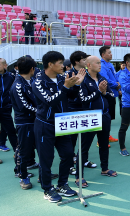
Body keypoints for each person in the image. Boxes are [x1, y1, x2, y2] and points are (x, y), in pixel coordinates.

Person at [32, 51, 84, 203]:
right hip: (45, 124)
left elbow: (72, 97)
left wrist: (76, 86)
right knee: (46, 159)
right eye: (60, 63)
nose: (64, 66)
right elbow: (49, 101)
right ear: (50, 64)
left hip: (63, 123)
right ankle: (47, 188)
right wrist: (67, 87)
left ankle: (62, 184)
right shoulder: (38, 81)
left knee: (68, 154)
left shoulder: (63, 78)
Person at [76, 56, 117, 188]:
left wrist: (104, 93)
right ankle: (79, 176)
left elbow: (111, 96)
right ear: (89, 65)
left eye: (100, 63)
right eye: (97, 63)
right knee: (84, 148)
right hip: (90, 118)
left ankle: (104, 169)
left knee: (104, 144)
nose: (100, 65)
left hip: (104, 116)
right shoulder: (83, 80)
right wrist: (99, 92)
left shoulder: (102, 78)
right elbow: (83, 100)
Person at [10, 56, 37, 189]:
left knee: (36, 147)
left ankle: (43, 173)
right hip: (24, 122)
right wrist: (40, 111)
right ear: (32, 69)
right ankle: (22, 176)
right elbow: (23, 106)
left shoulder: (30, 81)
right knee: (23, 150)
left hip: (33, 120)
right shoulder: (18, 85)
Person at [67, 51, 95, 171]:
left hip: (86, 109)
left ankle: (83, 160)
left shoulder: (88, 74)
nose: (86, 61)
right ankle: (69, 164)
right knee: (71, 140)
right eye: (84, 59)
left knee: (85, 139)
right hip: (72, 109)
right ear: (77, 61)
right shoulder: (68, 74)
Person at [99, 46, 119, 142]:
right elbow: (105, 80)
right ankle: (101, 140)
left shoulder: (110, 64)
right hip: (106, 94)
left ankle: (107, 135)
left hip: (113, 93)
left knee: (109, 117)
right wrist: (116, 84)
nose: (111, 54)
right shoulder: (102, 65)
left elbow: (114, 77)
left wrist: (118, 85)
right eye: (109, 53)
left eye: (111, 52)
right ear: (103, 55)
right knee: (105, 117)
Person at [0, 58, 17, 152]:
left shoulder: (11, 76)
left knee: (10, 130)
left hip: (6, 108)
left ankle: (17, 152)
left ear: (5, 65)